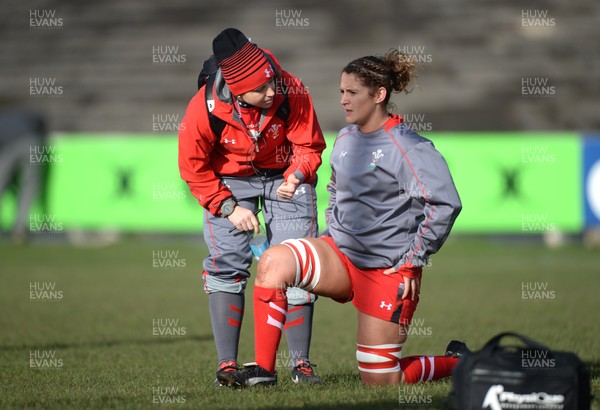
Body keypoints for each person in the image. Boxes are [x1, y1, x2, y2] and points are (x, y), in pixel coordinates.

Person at [218, 49, 466, 388]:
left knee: (380, 379)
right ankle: (264, 371)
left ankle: (459, 363)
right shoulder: (347, 138)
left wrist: (412, 261)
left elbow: (445, 204)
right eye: (341, 92)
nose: (343, 101)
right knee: (274, 263)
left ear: (379, 95)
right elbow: (335, 187)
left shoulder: (410, 147)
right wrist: (331, 230)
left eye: (352, 93)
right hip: (340, 255)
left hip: (387, 270)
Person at [178, 28, 326, 385]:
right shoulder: (203, 107)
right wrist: (228, 207)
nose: (272, 91)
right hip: (228, 180)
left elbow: (310, 144)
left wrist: (297, 175)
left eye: (271, 82)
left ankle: (300, 365)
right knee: (227, 264)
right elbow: (193, 167)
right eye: (261, 89)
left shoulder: (290, 87)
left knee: (295, 262)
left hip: (283, 174)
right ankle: (227, 365)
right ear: (236, 89)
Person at [0, 109, 47, 244]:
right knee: (29, 186)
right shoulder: (29, 114)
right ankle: (19, 230)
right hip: (33, 143)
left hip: (10, 146)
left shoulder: (4, 121)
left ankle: (18, 229)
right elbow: (42, 125)